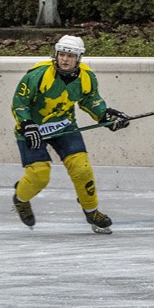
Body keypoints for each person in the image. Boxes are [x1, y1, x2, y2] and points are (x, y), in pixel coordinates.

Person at [11, 35, 131, 234]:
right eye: (62, 54)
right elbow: (19, 103)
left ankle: (92, 211)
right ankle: (20, 198)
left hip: (64, 127)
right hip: (33, 130)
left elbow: (90, 99)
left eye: (71, 56)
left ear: (79, 58)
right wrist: (26, 124)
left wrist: (106, 115)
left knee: (82, 169)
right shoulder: (38, 75)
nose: (65, 59)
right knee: (39, 176)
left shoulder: (86, 76)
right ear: (56, 55)